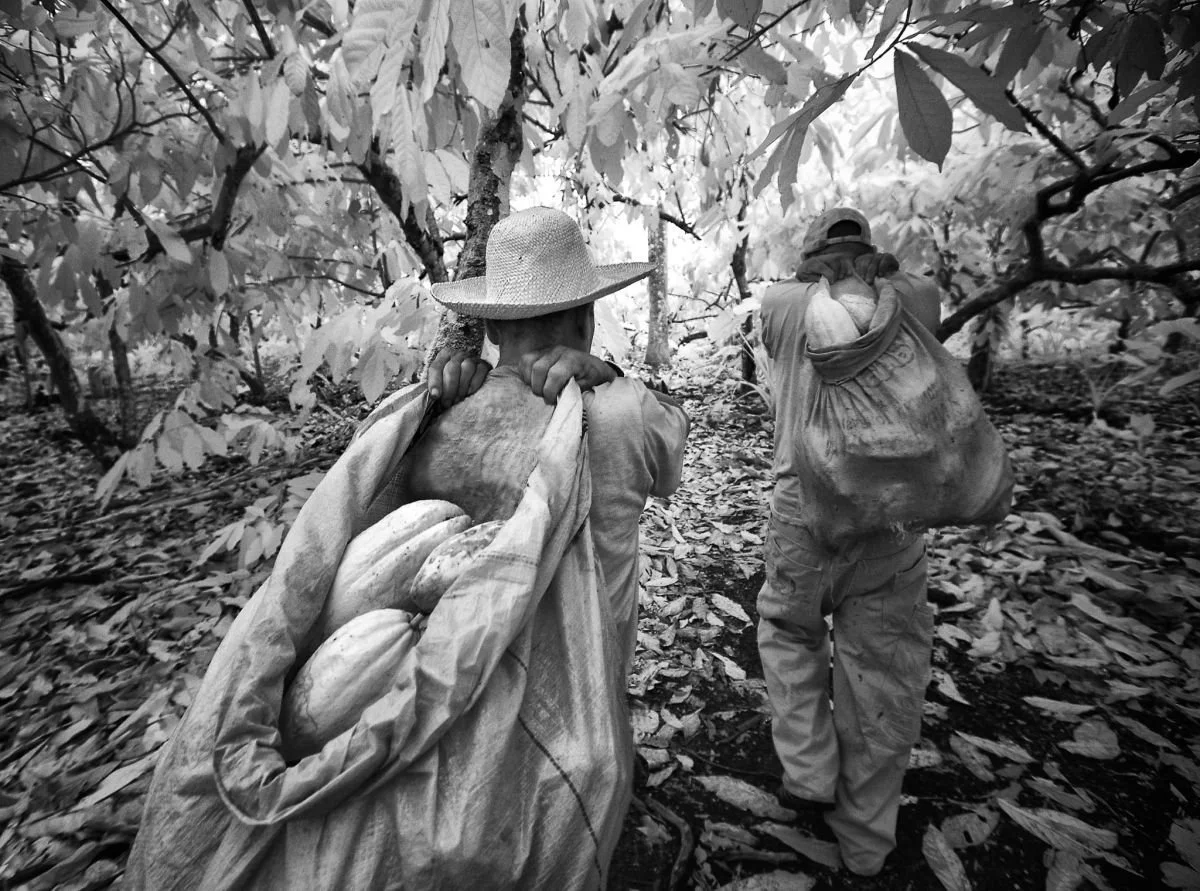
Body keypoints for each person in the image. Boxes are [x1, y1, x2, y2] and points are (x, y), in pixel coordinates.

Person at [422, 205, 690, 675]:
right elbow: (672, 446)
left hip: (453, 672)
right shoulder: (629, 410)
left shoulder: (432, 411)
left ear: (490, 326)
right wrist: (612, 377)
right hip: (589, 686)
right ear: (587, 319)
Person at [756, 207, 942, 877]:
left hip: (803, 513)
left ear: (813, 263)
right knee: (881, 673)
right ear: (872, 255)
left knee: (788, 630)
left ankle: (808, 767)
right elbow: (915, 281)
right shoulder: (914, 302)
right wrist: (878, 274)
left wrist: (823, 277)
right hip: (890, 522)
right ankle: (864, 842)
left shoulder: (782, 305)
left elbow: (789, 293)